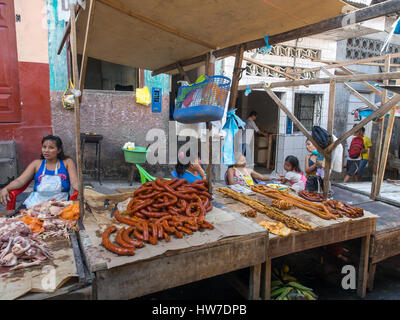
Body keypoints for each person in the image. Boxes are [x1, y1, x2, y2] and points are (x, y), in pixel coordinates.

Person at [0, 135, 78, 209]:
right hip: (36, 202)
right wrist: (6, 188)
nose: (46, 150)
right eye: (44, 147)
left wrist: (83, 190)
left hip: (59, 202)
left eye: (51, 148)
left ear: (59, 150)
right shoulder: (36, 164)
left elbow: (74, 182)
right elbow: (20, 181)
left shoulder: (67, 162)